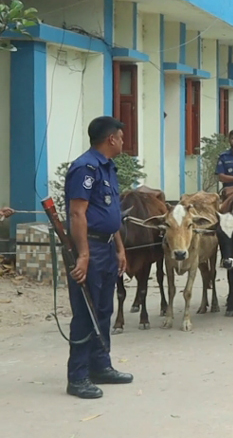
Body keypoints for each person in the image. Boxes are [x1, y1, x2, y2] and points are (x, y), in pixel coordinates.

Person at [64, 116, 133, 399]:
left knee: (104, 310)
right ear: (111, 139)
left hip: (106, 247)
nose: (123, 141)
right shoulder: (86, 168)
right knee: (86, 312)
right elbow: (77, 213)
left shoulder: (108, 168)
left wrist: (119, 248)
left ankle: (100, 366)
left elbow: (110, 213)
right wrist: (82, 255)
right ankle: (77, 377)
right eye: (121, 136)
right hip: (89, 248)